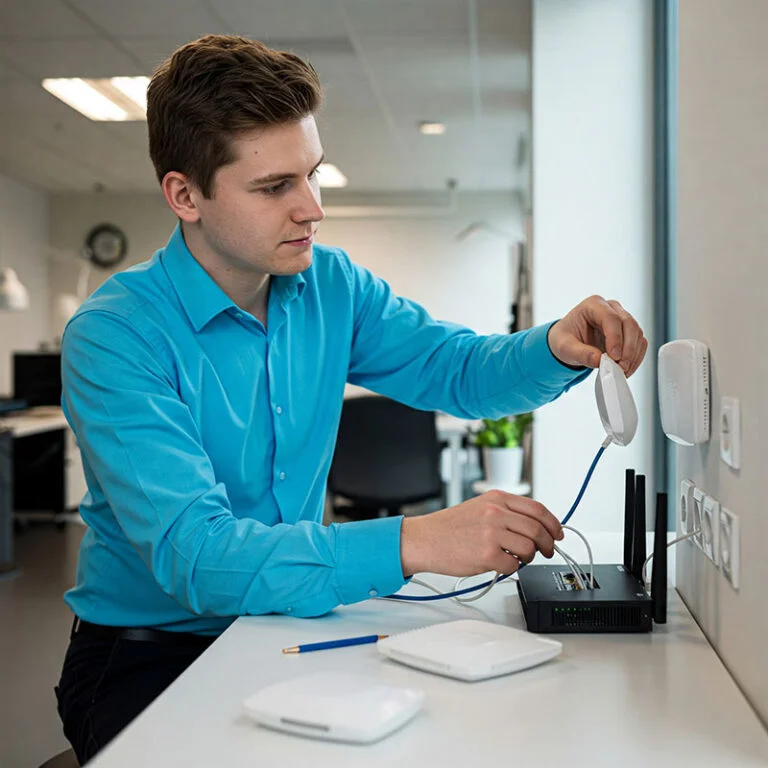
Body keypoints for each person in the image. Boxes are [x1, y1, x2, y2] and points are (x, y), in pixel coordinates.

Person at [55, 34, 648, 764]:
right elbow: (197, 555)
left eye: (312, 174)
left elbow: (454, 368)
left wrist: (555, 343)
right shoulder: (116, 335)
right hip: (148, 653)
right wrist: (418, 540)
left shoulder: (329, 285)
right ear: (185, 195)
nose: (312, 208)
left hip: (285, 623)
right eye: (275, 188)